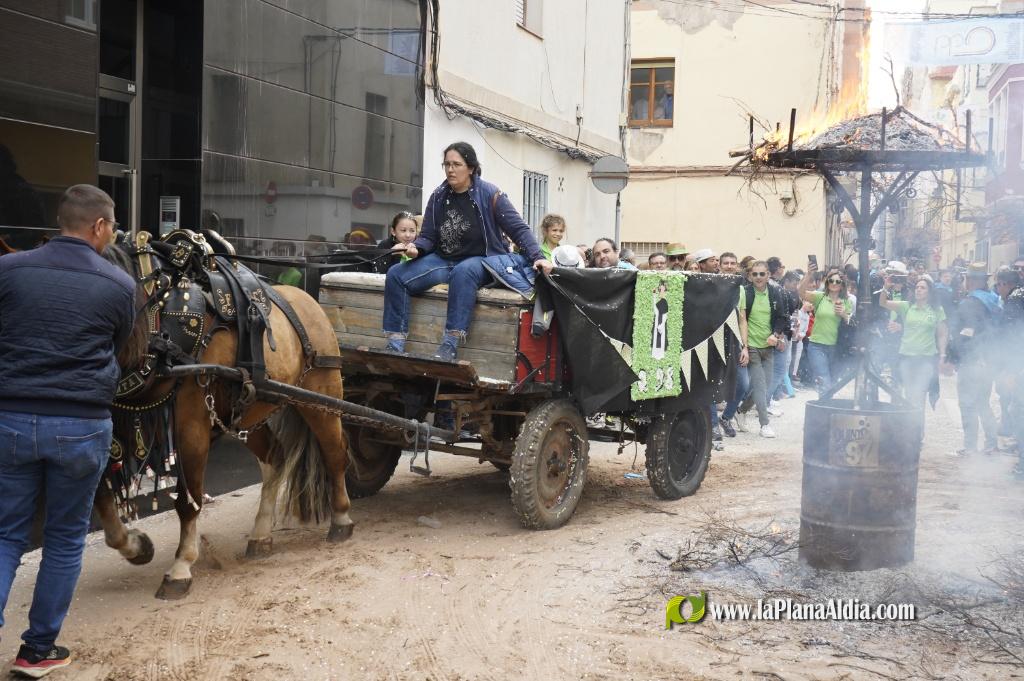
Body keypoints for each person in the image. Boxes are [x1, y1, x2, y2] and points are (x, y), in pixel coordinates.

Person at [0, 184, 135, 677]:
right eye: (113, 225)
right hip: (80, 427)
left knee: (6, 534)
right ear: (99, 227)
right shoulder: (119, 285)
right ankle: (36, 651)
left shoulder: (8, 271)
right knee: (62, 539)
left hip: (10, 420)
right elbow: (120, 348)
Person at [383, 142, 552, 361]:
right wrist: (416, 249)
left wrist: (538, 257)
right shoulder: (437, 196)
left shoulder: (491, 194)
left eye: (456, 164)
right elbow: (427, 237)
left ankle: (450, 343)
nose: (450, 169)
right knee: (396, 274)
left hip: (484, 261)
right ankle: (395, 344)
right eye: (446, 164)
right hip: (444, 260)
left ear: (470, 168)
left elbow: (518, 229)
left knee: (463, 272)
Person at [879, 277, 948, 432]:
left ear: (929, 291)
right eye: (917, 287)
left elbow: (942, 333)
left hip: (926, 359)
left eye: (923, 287)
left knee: (919, 396)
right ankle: (907, 431)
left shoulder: (937, 310)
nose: (918, 289)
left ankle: (917, 433)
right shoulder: (906, 306)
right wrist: (885, 288)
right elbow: (883, 303)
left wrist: (943, 355)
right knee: (908, 396)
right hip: (906, 358)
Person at [948, 263, 1000, 456]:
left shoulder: (970, 303)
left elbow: (967, 333)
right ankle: (991, 444)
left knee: (968, 403)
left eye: (966, 278)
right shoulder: (993, 299)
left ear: (971, 281)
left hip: (972, 360)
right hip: (989, 359)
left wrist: (955, 355)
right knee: (982, 403)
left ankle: (970, 446)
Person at [738, 261, 788, 438]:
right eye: (755, 274)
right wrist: (744, 346)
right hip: (751, 346)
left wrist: (776, 334)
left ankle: (741, 410)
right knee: (759, 386)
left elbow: (782, 317)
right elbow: (742, 320)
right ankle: (764, 424)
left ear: (768, 275)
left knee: (763, 387)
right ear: (750, 276)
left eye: (762, 274)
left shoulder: (775, 292)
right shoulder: (745, 292)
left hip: (769, 346)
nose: (758, 277)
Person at [798, 263, 853, 396]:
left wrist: (844, 314)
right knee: (824, 380)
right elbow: (800, 292)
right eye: (831, 280)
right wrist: (809, 274)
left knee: (832, 381)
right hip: (817, 345)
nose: (834, 283)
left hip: (836, 347)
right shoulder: (820, 297)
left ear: (842, 284)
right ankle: (824, 409)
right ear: (827, 282)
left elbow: (851, 323)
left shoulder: (846, 302)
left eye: (837, 281)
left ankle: (826, 406)